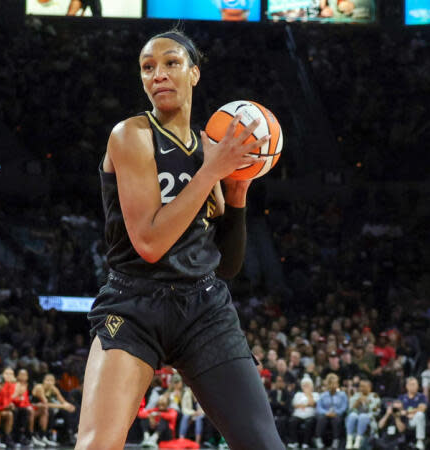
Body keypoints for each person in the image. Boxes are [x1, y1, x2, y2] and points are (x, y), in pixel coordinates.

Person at [76, 29, 282, 450]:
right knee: (97, 444)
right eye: (147, 67)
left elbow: (224, 266)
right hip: (134, 306)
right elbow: (149, 243)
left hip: (203, 306)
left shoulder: (208, 145)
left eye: (171, 63)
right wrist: (211, 172)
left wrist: (238, 195)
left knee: (265, 445)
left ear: (194, 73)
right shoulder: (130, 135)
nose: (158, 75)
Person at [314, 373, 348, 449]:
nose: (333, 385)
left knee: (336, 419)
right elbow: (318, 407)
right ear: (328, 384)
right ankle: (318, 439)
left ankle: (336, 441)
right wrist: (326, 413)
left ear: (338, 384)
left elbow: (344, 407)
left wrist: (336, 412)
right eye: (331, 383)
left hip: (337, 414)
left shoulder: (342, 395)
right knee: (321, 418)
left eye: (335, 383)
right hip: (326, 414)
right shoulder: (323, 395)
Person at [345, 378, 380, 449]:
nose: (361, 388)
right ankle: (349, 440)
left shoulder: (375, 396)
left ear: (369, 387)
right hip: (356, 417)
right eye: (360, 386)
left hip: (369, 418)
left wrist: (366, 403)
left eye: (364, 386)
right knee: (352, 415)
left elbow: (375, 412)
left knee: (362, 416)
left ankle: (358, 440)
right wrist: (357, 402)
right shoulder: (356, 395)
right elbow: (350, 410)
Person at [288, 376, 319, 449]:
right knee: (292, 421)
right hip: (298, 415)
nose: (306, 387)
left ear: (311, 386)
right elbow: (295, 404)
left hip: (310, 415)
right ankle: (294, 442)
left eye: (308, 385)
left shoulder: (315, 394)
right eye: (304, 385)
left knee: (309, 423)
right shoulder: (298, 394)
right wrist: (306, 404)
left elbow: (313, 403)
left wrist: (308, 395)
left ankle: (306, 443)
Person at [397, 377, 426, 450]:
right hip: (404, 421)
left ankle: (420, 440)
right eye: (412, 384)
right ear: (407, 386)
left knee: (420, 414)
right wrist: (407, 414)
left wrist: (407, 412)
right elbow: (399, 410)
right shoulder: (401, 397)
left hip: (415, 421)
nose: (415, 386)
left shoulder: (421, 396)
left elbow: (422, 408)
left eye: (416, 384)